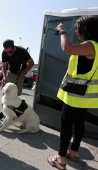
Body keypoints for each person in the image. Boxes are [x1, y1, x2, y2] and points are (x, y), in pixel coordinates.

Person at [47, 16, 98, 170]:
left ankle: (60, 159)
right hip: (86, 96)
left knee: (67, 123)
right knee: (79, 122)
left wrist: (63, 32)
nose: (76, 31)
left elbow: (67, 48)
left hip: (76, 96)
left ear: (87, 29)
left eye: (78, 28)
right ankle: (74, 152)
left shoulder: (91, 45)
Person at [0, 39, 34, 119]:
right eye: (6, 52)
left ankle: (13, 113)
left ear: (14, 48)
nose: (8, 54)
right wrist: (4, 77)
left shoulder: (22, 52)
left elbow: (32, 63)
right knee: (5, 93)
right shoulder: (4, 52)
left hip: (20, 74)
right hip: (10, 73)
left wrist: (25, 71)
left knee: (15, 95)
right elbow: (4, 66)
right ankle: (3, 112)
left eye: (10, 52)